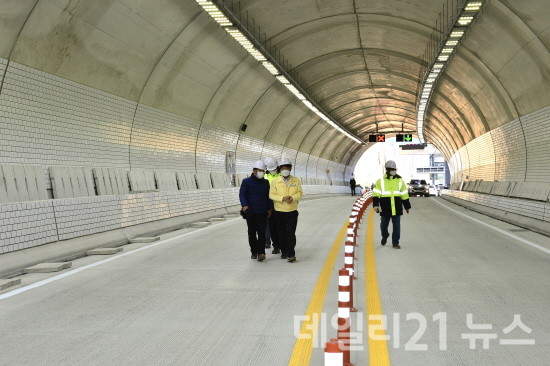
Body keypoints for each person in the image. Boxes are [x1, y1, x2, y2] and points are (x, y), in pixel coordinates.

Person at [269, 158, 303, 263]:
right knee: (282, 233)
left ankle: (291, 253)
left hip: (292, 211)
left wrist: (293, 197)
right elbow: (271, 195)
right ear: (280, 169)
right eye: (283, 168)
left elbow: (300, 193)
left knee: (291, 233)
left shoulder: (296, 180)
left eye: (287, 167)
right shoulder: (275, 181)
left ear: (290, 168)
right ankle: (284, 251)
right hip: (279, 211)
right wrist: (282, 198)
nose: (285, 170)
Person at [372, 160, 411, 249]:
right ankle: (385, 236)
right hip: (385, 208)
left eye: (394, 169)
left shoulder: (400, 181)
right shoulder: (380, 181)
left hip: (397, 208)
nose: (393, 170)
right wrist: (375, 205)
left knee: (396, 227)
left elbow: (404, 194)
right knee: (383, 226)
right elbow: (376, 194)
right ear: (387, 170)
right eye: (391, 169)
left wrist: (407, 207)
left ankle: (395, 243)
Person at [239, 160, 272, 261]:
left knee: (262, 233)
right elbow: (242, 194)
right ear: (254, 171)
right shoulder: (246, 181)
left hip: (262, 212)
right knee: (252, 233)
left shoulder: (266, 183)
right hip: (251, 212)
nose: (261, 172)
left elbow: (269, 196)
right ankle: (254, 251)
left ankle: (261, 252)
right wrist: (244, 205)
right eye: (259, 170)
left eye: (263, 170)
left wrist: (269, 208)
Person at [263, 157, 281, 254]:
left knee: (277, 226)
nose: (273, 171)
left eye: (274, 169)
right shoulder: (265, 177)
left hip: (279, 204)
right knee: (268, 225)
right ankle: (268, 241)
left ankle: (278, 245)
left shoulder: (281, 175)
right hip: (268, 204)